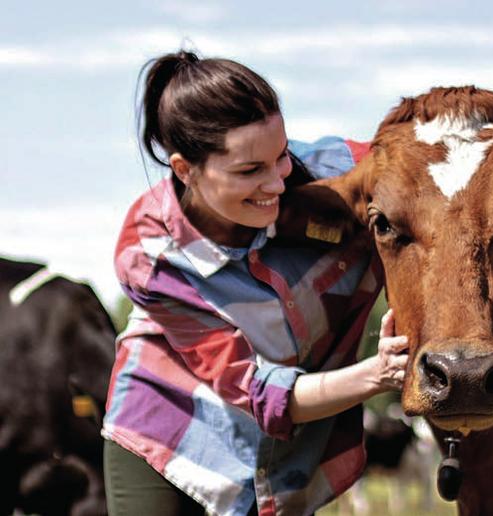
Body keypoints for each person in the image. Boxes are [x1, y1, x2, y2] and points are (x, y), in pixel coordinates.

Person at [101, 50, 408, 516]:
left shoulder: (339, 169)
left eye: (281, 156)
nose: (277, 184)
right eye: (250, 171)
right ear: (185, 170)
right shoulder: (150, 253)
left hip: (283, 456)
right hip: (171, 433)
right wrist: (377, 374)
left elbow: (436, 158)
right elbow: (258, 391)